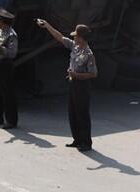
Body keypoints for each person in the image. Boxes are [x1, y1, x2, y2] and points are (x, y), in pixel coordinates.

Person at [36, 20, 97, 151]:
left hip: (82, 86)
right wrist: (47, 25)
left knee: (82, 114)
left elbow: (93, 74)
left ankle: (86, 142)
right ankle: (77, 139)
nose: (73, 37)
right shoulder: (75, 46)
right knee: (73, 113)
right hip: (73, 84)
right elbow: (60, 37)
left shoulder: (89, 54)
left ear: (81, 37)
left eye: (76, 35)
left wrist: (76, 75)